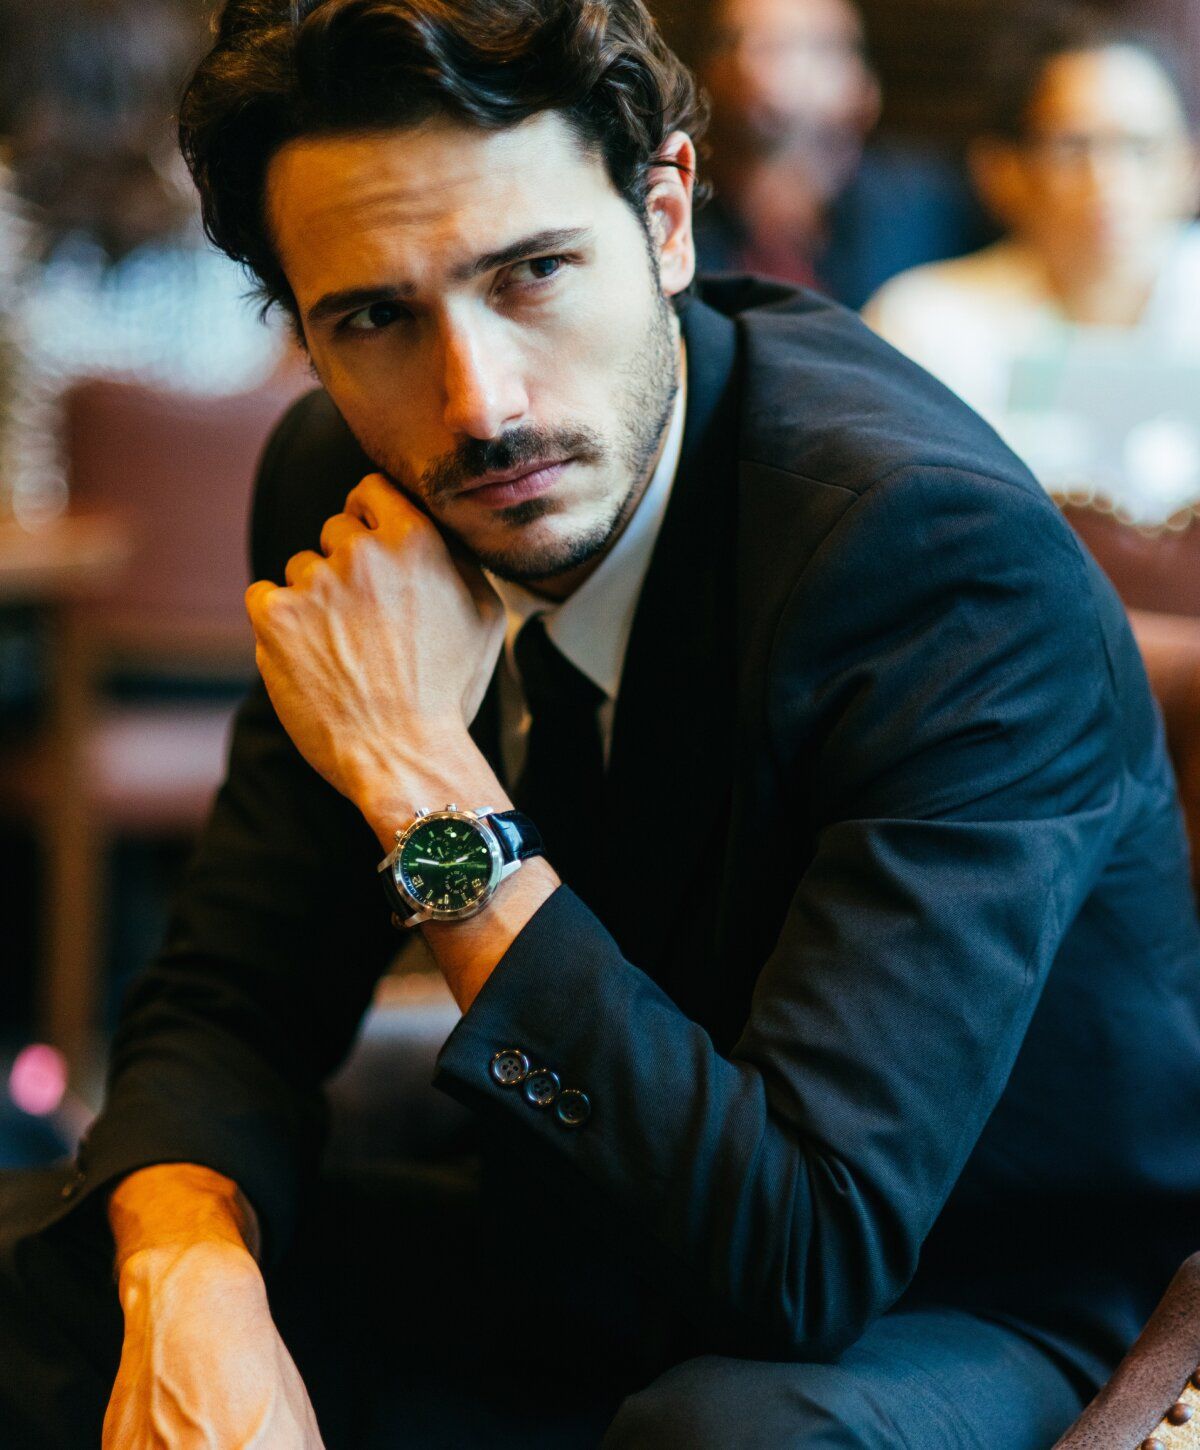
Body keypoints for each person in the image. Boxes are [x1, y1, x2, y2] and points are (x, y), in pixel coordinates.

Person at [1, 0, 1199, 1445]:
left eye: (533, 272)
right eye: (374, 317)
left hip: (956, 1289)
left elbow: (802, 1248)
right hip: (581, 1226)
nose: (480, 407)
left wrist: (417, 780)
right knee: (54, 1279)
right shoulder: (348, 490)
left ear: (667, 217)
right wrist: (189, 1280)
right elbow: (230, 997)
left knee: (726, 1434)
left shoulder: (931, 560)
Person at [863, 9, 1200, 526]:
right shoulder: (924, 325)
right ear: (1002, 171)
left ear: (1189, 165)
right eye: (1073, 146)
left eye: (1141, 146)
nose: (1107, 178)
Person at [694, 0, 988, 307]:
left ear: (866, 88)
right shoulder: (682, 212)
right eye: (733, 40)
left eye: (798, 44)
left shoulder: (929, 206)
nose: (751, 61)